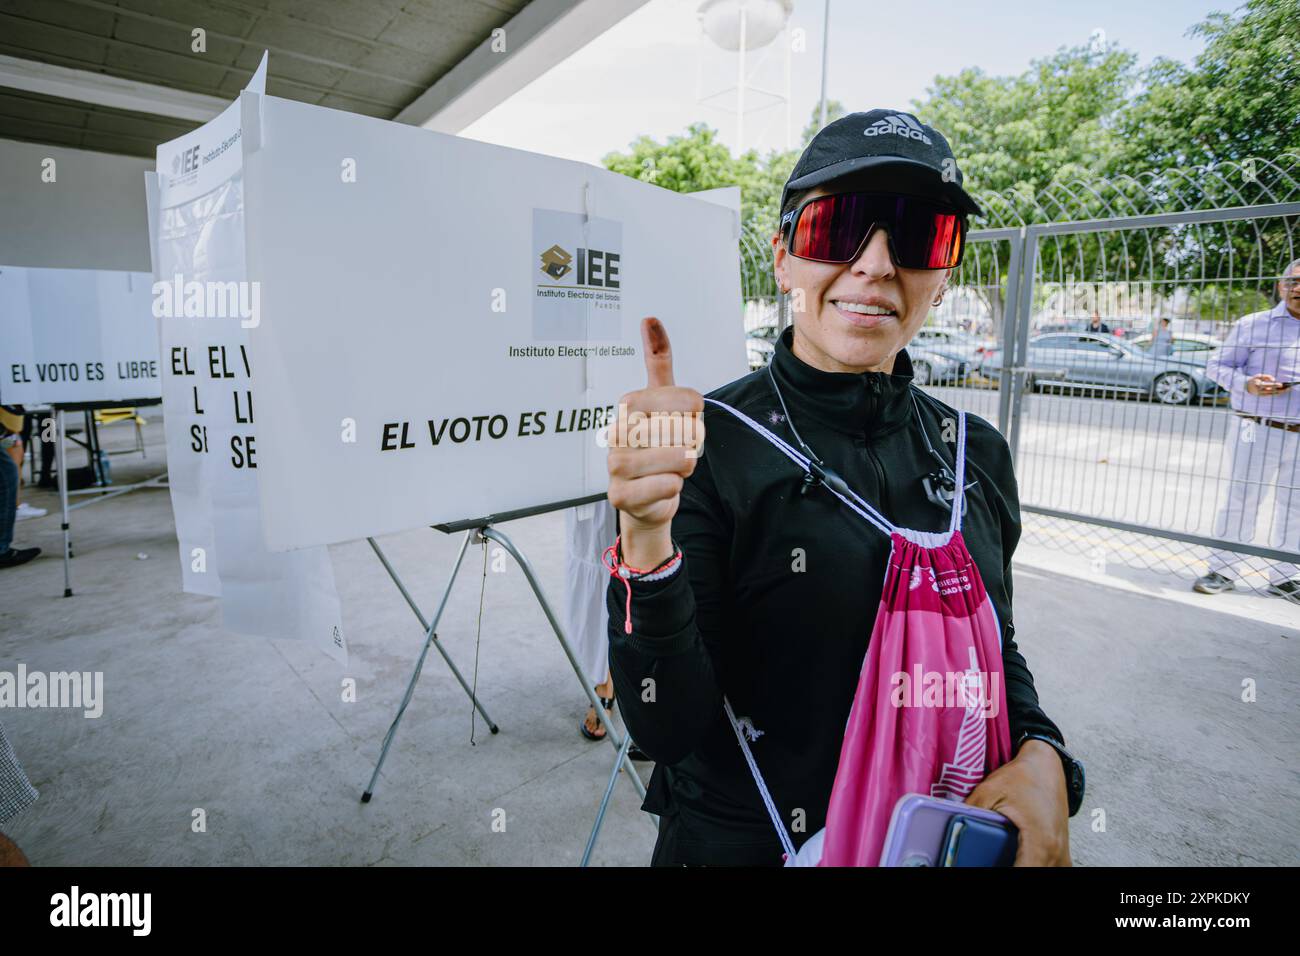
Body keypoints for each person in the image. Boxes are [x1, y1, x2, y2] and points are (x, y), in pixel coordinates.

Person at [605, 110, 1080, 866]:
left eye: (921, 235)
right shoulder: (707, 447)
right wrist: (646, 541)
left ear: (945, 271)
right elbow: (666, 728)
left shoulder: (974, 453)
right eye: (838, 228)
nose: (876, 265)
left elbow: (995, 651)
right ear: (784, 259)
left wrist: (1044, 751)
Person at [1194, 259, 1300, 602]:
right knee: (1242, 498)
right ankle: (1223, 569)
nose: (1298, 289)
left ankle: (1285, 577)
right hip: (1255, 427)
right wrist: (1246, 383)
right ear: (1280, 285)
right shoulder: (1254, 325)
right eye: (1293, 281)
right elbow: (1216, 365)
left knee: (1295, 505)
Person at [0, 407, 41, 569]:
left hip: (26, 419)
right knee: (16, 451)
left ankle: (46, 473)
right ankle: (45, 473)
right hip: (18, 420)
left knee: (21, 448)